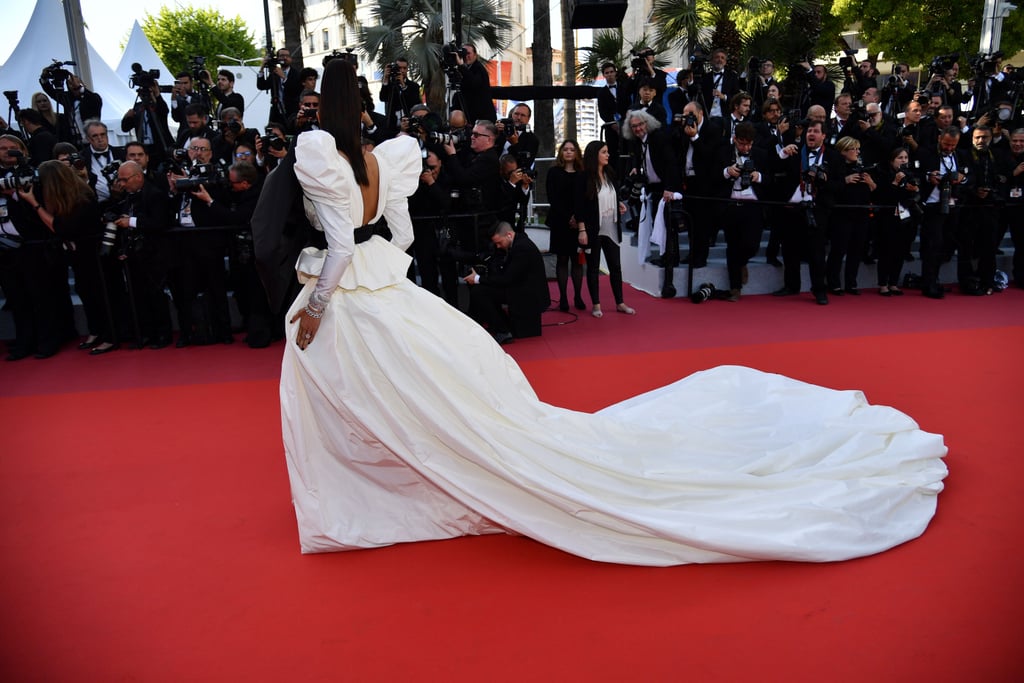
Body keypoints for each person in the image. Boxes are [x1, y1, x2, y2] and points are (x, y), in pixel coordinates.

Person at [277, 58, 947, 566]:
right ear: (360, 102)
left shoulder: (319, 154)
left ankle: (369, 489)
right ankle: (382, 482)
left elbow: (339, 242)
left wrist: (320, 302)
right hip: (386, 288)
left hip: (351, 292)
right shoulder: (380, 154)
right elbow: (403, 236)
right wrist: (380, 261)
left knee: (368, 390)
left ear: (319, 105)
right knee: (411, 394)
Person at [576, 140, 635, 317]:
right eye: (604, 152)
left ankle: (620, 302)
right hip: (593, 228)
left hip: (612, 226)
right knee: (593, 267)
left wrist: (618, 205)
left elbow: (610, 196)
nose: (608, 155)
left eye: (608, 151)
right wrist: (582, 229)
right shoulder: (584, 177)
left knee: (615, 266)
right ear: (595, 155)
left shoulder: (610, 173)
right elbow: (579, 205)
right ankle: (596, 305)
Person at [463, 221, 549, 342]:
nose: (498, 246)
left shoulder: (521, 248)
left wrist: (478, 279)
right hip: (521, 289)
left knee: (479, 291)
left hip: (526, 294)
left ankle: (502, 330)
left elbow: (507, 279)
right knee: (482, 290)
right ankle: (502, 327)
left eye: (499, 242)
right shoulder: (519, 243)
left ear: (509, 235)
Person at [826, 136, 876, 295]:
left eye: (858, 149)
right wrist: (845, 180)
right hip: (841, 214)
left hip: (861, 213)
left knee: (856, 250)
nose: (857, 152)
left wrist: (871, 183)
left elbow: (875, 191)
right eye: (854, 149)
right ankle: (833, 283)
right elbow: (829, 188)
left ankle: (851, 283)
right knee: (838, 250)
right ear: (844, 151)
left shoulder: (863, 168)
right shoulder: (836, 168)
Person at [873, 147, 920, 296]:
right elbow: (882, 196)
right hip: (887, 218)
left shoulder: (911, 175)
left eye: (906, 158)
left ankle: (893, 283)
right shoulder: (884, 174)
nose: (904, 161)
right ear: (892, 160)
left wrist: (914, 190)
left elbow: (916, 196)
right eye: (900, 158)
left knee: (900, 251)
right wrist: (895, 182)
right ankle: (883, 284)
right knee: (886, 251)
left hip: (905, 218)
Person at [545, 139, 585, 311]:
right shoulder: (553, 172)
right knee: (562, 259)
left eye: (572, 149)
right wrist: (567, 217)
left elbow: (585, 198)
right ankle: (562, 298)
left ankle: (578, 295)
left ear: (577, 153)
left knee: (577, 260)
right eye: (565, 149)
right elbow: (552, 198)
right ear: (561, 152)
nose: (568, 152)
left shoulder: (583, 173)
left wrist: (578, 217)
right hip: (559, 221)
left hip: (578, 222)